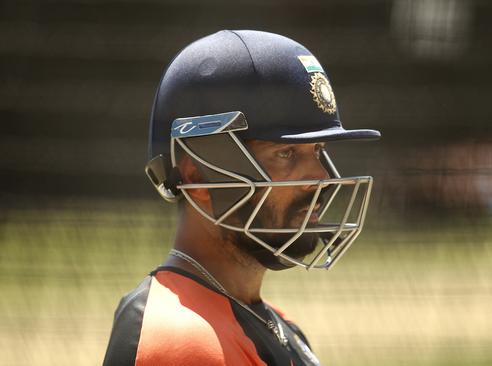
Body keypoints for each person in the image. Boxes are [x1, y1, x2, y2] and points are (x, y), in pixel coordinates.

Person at [102, 30, 380, 366]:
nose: (321, 177)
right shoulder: (186, 339)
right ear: (198, 177)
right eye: (287, 153)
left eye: (318, 149)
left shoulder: (273, 323)